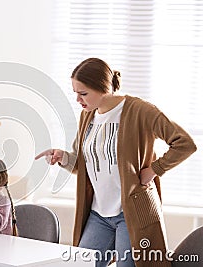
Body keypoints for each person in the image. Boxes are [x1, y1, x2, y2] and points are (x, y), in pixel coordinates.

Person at [35, 58, 196, 267]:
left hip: (131, 213)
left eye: (83, 93)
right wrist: (63, 157)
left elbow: (185, 144)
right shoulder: (87, 116)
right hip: (98, 213)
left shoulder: (141, 111)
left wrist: (154, 170)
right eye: (75, 92)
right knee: (79, 264)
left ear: (103, 87)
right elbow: (84, 164)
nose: (77, 99)